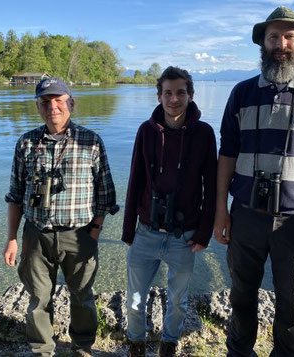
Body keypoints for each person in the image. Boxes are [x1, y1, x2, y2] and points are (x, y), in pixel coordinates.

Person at [214, 6, 294, 357]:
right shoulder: (241, 93)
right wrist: (221, 212)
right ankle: (239, 353)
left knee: (292, 303)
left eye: (289, 36)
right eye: (273, 36)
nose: (280, 43)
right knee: (241, 297)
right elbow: (226, 155)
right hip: (246, 217)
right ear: (262, 43)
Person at [3, 77, 118, 357]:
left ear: (71, 104)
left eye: (58, 100)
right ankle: (42, 349)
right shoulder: (26, 143)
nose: (52, 107)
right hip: (36, 234)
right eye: (45, 101)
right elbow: (15, 195)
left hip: (79, 235)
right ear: (38, 106)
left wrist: (94, 231)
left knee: (82, 297)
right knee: (38, 298)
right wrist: (12, 239)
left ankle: (82, 346)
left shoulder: (91, 141)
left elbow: (106, 194)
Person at [121, 66, 217, 356]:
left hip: (184, 235)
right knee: (135, 299)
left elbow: (211, 185)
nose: (174, 99)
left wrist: (205, 231)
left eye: (180, 93)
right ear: (159, 95)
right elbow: (135, 179)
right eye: (168, 93)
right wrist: (128, 230)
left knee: (177, 299)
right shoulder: (145, 131)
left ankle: (169, 343)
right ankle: (136, 342)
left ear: (190, 94)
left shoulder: (204, 133)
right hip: (146, 231)